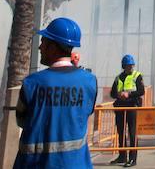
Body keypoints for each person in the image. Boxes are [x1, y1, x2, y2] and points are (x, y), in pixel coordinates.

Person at [13, 17, 98, 169]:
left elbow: (21, 120)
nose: (40, 47)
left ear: (52, 47)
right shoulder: (89, 82)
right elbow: (86, 112)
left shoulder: (31, 83)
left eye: (43, 42)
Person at [110, 54, 144, 166]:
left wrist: (129, 94)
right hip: (120, 107)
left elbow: (141, 91)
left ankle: (133, 158)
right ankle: (122, 156)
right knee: (121, 132)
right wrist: (119, 95)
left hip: (132, 107)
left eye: (131, 65)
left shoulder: (137, 76)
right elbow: (112, 93)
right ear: (123, 66)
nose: (130, 67)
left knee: (132, 132)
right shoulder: (118, 78)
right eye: (128, 66)